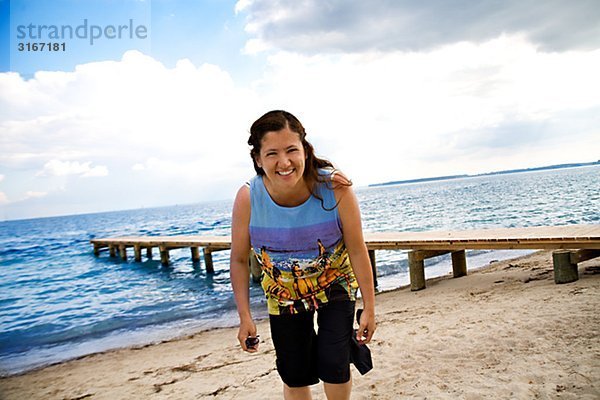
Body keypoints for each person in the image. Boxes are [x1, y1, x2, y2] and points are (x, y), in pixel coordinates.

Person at [230, 110, 376, 400]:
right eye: (271, 153)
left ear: (305, 151)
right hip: (282, 293)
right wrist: (245, 316)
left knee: (334, 362)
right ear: (258, 159)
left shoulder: (335, 187)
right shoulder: (249, 198)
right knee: (294, 373)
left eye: (291, 150)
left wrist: (369, 306)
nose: (284, 162)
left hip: (335, 282)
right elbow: (238, 260)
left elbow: (358, 249)